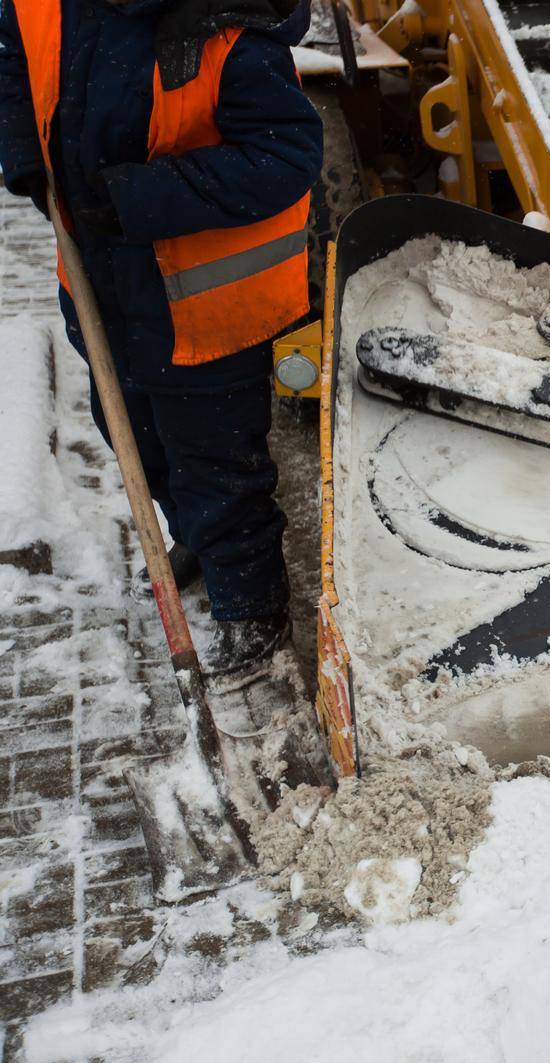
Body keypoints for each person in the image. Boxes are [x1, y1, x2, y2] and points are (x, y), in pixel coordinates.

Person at [0, 0, 321, 676]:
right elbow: (10, 48)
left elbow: (286, 153)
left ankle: (252, 605)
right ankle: (199, 540)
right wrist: (21, 149)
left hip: (200, 306)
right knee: (136, 441)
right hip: (102, 292)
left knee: (217, 462)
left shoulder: (227, 30)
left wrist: (136, 198)